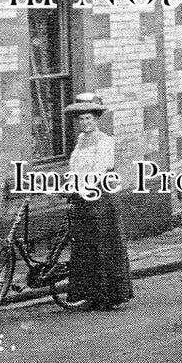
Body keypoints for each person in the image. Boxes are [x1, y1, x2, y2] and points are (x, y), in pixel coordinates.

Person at [65, 93, 133, 310]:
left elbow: (97, 171)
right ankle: (90, 294)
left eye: (89, 119)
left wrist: (82, 188)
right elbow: (74, 168)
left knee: (102, 245)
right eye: (81, 119)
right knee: (86, 246)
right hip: (83, 197)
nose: (85, 123)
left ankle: (107, 296)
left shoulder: (105, 141)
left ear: (96, 119)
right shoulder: (80, 141)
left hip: (100, 198)